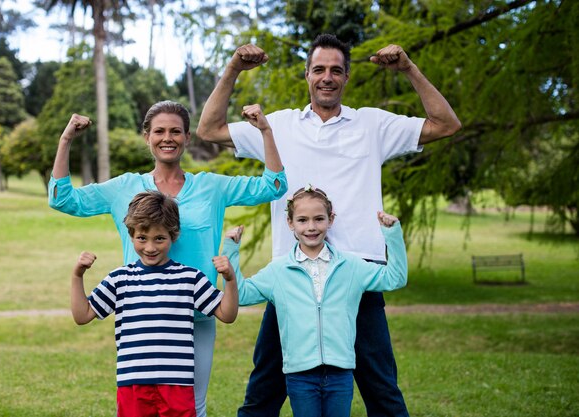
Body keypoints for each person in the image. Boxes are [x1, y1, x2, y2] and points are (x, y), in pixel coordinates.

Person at [196, 34, 461, 416]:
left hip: (357, 271)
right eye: (319, 69)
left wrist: (408, 68)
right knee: (263, 392)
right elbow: (209, 129)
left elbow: (446, 124)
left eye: (336, 70)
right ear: (307, 75)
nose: (327, 77)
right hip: (292, 274)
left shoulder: (372, 124)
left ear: (346, 77)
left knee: (382, 392)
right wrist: (234, 67)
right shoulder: (279, 126)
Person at [49, 100, 287, 417]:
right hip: (145, 320)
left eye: (176, 131)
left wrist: (265, 131)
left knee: (193, 407)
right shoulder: (124, 187)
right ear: (147, 136)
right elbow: (61, 198)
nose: (168, 138)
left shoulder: (212, 186)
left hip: (200, 313)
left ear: (187, 137)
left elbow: (274, 185)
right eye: (159, 131)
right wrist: (66, 140)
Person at [213, 186, 408, 417]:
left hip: (341, 373)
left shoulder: (352, 266)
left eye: (319, 219)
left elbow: (395, 278)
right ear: (290, 223)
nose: (311, 227)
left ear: (331, 219)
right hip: (299, 375)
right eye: (303, 220)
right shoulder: (279, 271)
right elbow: (242, 295)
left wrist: (392, 236)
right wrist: (231, 252)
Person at [71, 190, 239, 417]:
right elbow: (83, 316)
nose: (150, 247)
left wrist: (229, 280)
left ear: (173, 236)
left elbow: (227, 314)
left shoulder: (190, 278)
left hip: (177, 385)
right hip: (133, 384)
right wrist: (77, 276)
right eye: (142, 238)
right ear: (131, 235)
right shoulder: (120, 279)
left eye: (159, 238)